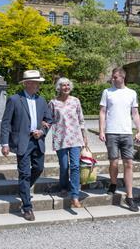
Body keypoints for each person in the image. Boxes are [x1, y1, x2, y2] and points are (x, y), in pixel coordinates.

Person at [0, 70, 52, 221]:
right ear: (28, 83)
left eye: (38, 83)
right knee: (25, 174)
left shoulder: (42, 100)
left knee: (38, 168)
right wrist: (4, 143)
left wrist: (42, 131)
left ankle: (23, 188)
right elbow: (6, 123)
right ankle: (27, 207)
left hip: (38, 141)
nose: (38, 85)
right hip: (22, 142)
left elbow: (49, 120)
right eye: (36, 83)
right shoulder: (15, 99)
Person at [99, 67, 140, 212]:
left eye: (115, 77)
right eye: (113, 77)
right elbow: (102, 112)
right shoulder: (107, 92)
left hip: (126, 133)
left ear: (123, 77)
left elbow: (135, 113)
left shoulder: (131, 93)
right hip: (111, 132)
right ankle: (113, 183)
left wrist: (139, 130)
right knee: (114, 162)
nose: (113, 79)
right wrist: (101, 130)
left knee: (129, 163)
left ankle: (129, 197)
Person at [44, 77, 88, 208]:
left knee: (75, 166)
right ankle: (63, 186)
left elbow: (81, 120)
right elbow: (48, 119)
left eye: (68, 85)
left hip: (75, 138)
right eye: (63, 85)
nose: (66, 87)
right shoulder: (53, 103)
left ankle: (75, 196)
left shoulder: (76, 101)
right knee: (64, 166)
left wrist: (85, 137)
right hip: (60, 138)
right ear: (59, 87)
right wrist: (42, 127)